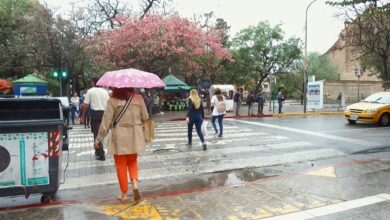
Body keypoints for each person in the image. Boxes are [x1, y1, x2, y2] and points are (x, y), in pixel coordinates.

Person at [94, 87, 148, 204]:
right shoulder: (138, 98)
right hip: (135, 135)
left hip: (119, 136)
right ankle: (134, 184)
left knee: (121, 165)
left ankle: (124, 194)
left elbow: (106, 122)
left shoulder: (113, 100)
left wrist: (99, 139)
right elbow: (145, 116)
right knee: (132, 161)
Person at [83, 76, 109, 161]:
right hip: (104, 114)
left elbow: (86, 105)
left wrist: (83, 116)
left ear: (94, 82)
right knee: (102, 133)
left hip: (95, 114)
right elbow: (109, 104)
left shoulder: (90, 91)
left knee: (96, 133)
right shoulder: (105, 92)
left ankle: (100, 152)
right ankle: (98, 151)